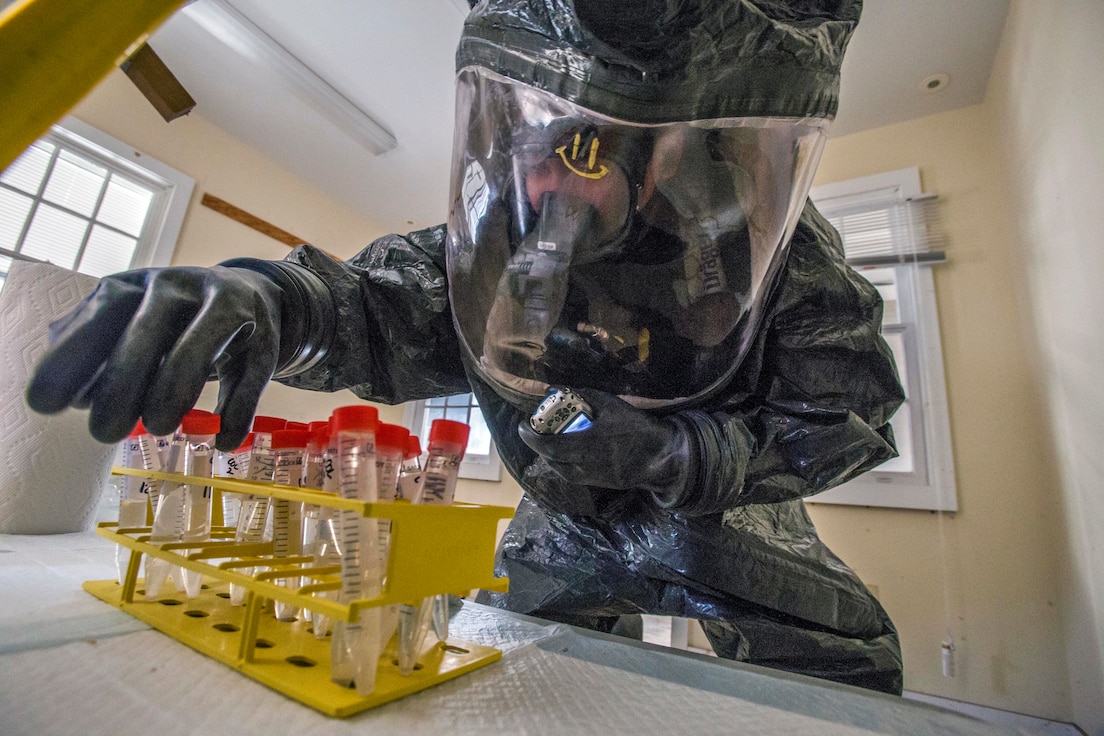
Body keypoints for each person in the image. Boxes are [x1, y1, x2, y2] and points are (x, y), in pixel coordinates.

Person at [26, 0, 906, 693]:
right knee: (527, 668)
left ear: (658, 160)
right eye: (531, 154)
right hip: (559, 521)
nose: (543, 185)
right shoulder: (501, 242)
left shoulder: (764, 247)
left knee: (842, 665)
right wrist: (271, 299)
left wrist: (683, 453)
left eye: (581, 157)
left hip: (720, 515)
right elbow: (377, 305)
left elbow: (846, 406)